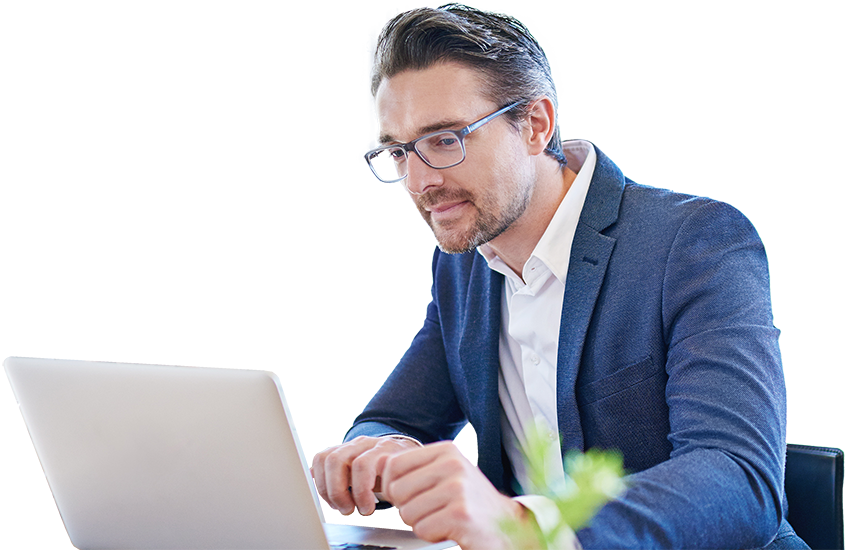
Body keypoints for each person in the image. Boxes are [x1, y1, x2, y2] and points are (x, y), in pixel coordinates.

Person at [311, 4, 808, 549]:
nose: (419, 182)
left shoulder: (693, 243)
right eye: (399, 152)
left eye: (445, 140)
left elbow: (741, 479)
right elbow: (393, 416)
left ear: (535, 125)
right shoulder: (464, 263)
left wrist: (528, 525)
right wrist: (382, 452)